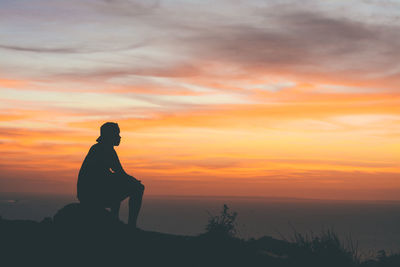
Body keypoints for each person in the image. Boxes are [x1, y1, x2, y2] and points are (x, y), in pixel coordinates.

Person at [77, 122, 144, 228]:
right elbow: (120, 173)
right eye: (117, 134)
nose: (119, 137)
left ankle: (115, 220)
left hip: (91, 192)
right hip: (93, 194)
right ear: (110, 136)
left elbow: (118, 174)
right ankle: (130, 225)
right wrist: (135, 182)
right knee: (138, 188)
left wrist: (130, 180)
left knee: (117, 181)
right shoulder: (103, 150)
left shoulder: (102, 149)